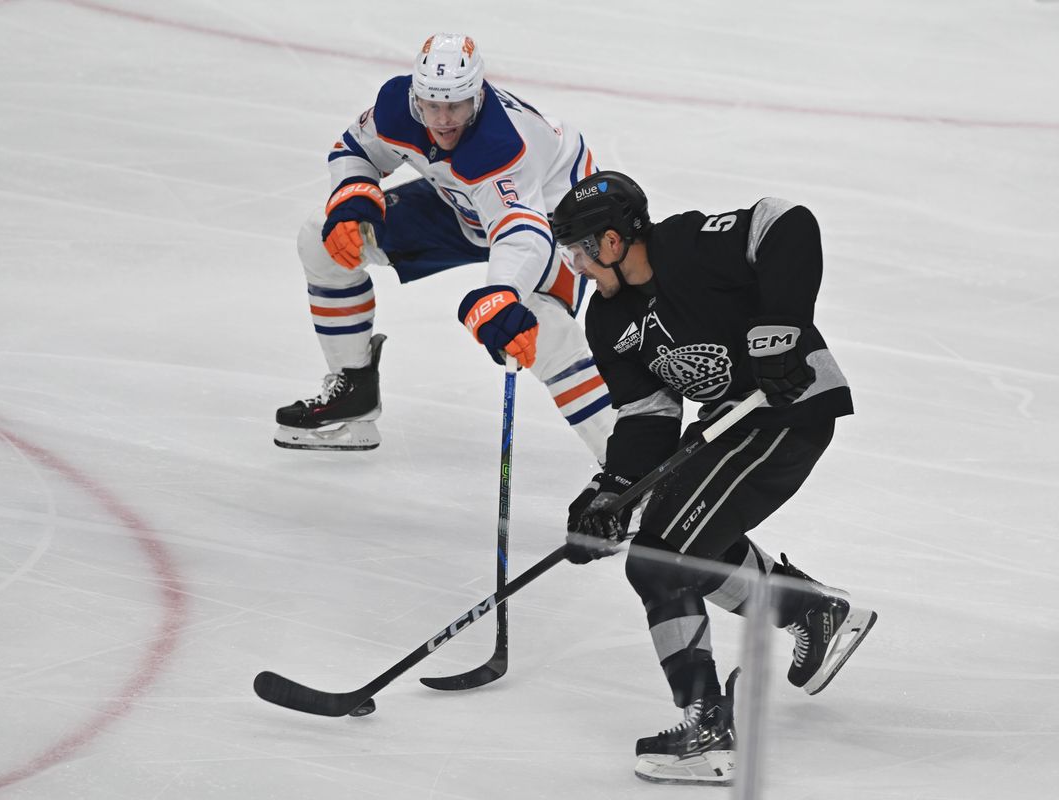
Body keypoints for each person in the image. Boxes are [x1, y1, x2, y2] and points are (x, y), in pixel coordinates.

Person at [550, 171, 878, 785]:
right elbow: (648, 414)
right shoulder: (608, 319)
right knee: (678, 535)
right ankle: (810, 611)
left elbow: (787, 221)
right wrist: (612, 489)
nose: (578, 267)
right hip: (733, 424)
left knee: (659, 560)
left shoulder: (690, 245)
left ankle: (706, 728)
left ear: (613, 241)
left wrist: (779, 326)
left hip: (787, 412)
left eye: (580, 252)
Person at [275, 33, 613, 459]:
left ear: (478, 95)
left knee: (543, 331)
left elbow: (521, 232)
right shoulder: (398, 107)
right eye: (432, 104)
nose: (443, 119)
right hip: (465, 208)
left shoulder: (501, 143)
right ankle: (354, 391)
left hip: (554, 221)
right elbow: (356, 146)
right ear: (417, 96)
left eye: (455, 104)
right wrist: (354, 193)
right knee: (321, 237)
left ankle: (629, 469)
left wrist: (501, 295)